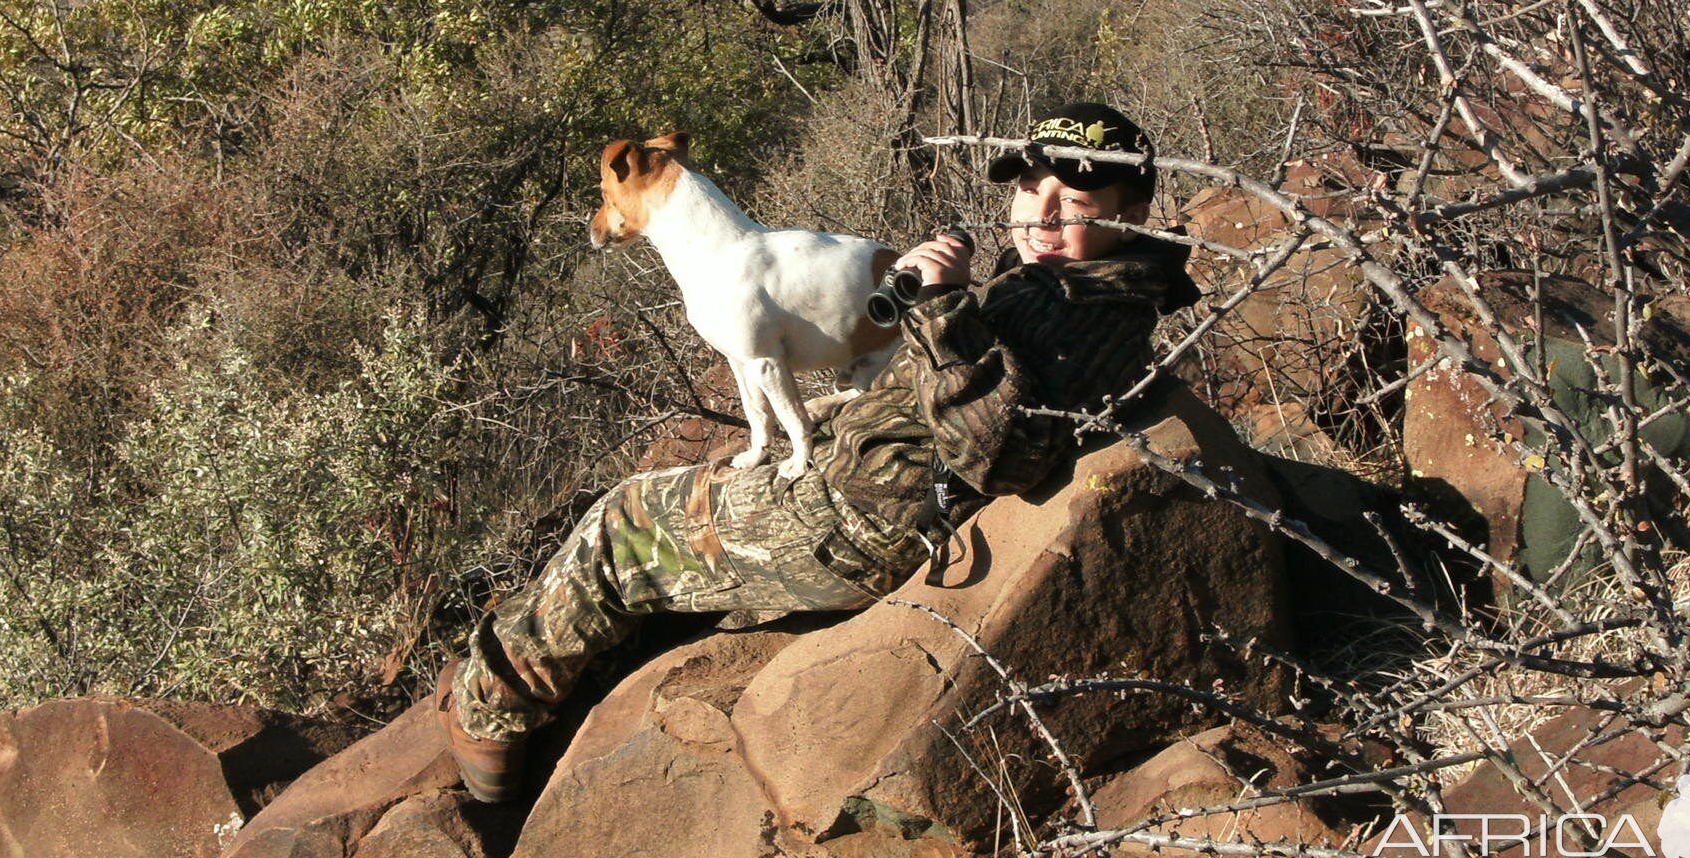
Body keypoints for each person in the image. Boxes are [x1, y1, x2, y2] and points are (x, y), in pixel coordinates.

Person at [436, 101, 1202, 801]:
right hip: (861, 478)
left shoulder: (1095, 308)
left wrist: (941, 310)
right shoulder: (1072, 282)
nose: (1039, 216)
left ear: (1132, 217)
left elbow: (997, 456)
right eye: (1030, 190)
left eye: (1072, 203)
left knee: (621, 520)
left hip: (855, 522)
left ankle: (488, 718)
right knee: (674, 520)